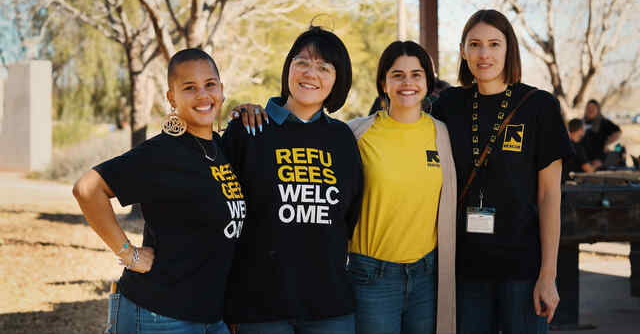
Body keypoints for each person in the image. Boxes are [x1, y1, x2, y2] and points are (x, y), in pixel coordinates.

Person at [73, 49, 243, 334]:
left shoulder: (221, 148)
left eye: (210, 85)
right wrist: (129, 254)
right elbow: (87, 188)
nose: (203, 95)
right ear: (172, 98)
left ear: (221, 89)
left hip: (211, 316)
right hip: (158, 315)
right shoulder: (163, 152)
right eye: (189, 88)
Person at [431, 9, 573, 334]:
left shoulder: (539, 106)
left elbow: (550, 195)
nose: (484, 54)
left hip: (522, 269)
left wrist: (548, 276)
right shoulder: (448, 104)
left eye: (494, 44)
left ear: (509, 50)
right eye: (475, 44)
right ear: (463, 50)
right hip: (464, 270)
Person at [222, 26, 364, 334]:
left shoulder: (342, 138)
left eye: (324, 67)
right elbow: (224, 214)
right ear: (289, 67)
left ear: (337, 80)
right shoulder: (247, 130)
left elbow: (348, 215)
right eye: (303, 62)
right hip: (259, 307)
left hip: (330, 306)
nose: (311, 73)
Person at [347, 41, 457, 334]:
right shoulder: (357, 133)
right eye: (397, 75)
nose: (407, 82)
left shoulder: (441, 134)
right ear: (383, 82)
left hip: (426, 275)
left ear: (428, 82)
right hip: (372, 276)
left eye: (416, 74)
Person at [581, 99, 622, 165]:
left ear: (598, 109)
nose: (590, 110)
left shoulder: (603, 122)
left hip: (598, 160)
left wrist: (607, 143)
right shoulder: (582, 122)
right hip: (584, 159)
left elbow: (618, 132)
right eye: (588, 108)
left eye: (593, 108)